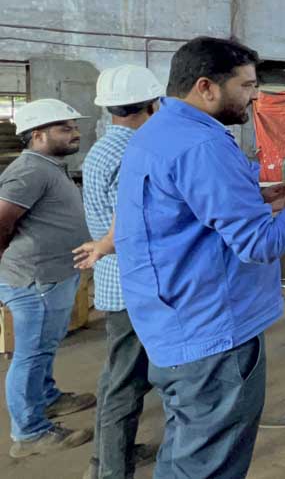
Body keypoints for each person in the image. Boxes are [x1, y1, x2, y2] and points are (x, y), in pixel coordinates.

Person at [113, 37, 285, 478]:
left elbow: (183, 211)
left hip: (172, 324)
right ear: (206, 87)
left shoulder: (157, 134)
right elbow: (260, 245)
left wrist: (261, 198)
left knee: (185, 454)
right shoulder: (202, 145)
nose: (256, 96)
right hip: (213, 337)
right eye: (247, 86)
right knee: (208, 465)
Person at [75, 65, 163, 478]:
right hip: (135, 284)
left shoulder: (101, 150)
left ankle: (110, 456)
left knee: (119, 376)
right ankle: (111, 469)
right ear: (152, 105)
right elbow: (136, 223)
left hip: (115, 281)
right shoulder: (137, 153)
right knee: (126, 383)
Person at [0, 99, 96, 458]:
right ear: (37, 135)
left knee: (44, 345)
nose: (75, 132)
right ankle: (29, 433)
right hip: (35, 278)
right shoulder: (29, 171)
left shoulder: (47, 167)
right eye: (64, 128)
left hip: (52, 275)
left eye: (73, 126)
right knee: (31, 353)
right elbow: (2, 220)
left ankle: (47, 398)